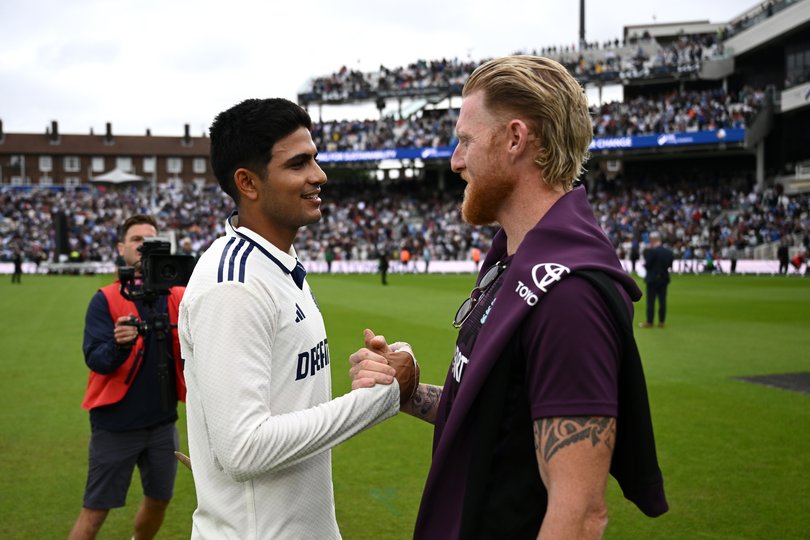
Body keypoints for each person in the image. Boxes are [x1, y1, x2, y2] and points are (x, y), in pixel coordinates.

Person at [350, 55, 668, 539]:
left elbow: (580, 515)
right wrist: (410, 391)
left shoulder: (569, 295)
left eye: (465, 141)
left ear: (516, 139)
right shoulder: (512, 262)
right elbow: (499, 420)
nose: (455, 161)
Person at [179, 98, 416, 539]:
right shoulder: (234, 284)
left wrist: (373, 375)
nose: (319, 175)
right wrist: (380, 399)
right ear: (247, 183)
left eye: (316, 159)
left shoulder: (278, 264)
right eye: (298, 163)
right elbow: (244, 448)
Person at [69, 214, 186, 540]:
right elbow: (96, 359)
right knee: (94, 511)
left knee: (160, 500)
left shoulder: (175, 294)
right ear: (122, 248)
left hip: (163, 421)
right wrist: (119, 346)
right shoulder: (105, 298)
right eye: (136, 239)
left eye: (151, 238)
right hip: (116, 424)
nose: (144, 244)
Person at [640, 231, 675, 328]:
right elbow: (670, 265)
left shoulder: (652, 252)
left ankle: (649, 322)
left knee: (651, 301)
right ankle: (661, 322)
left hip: (652, 279)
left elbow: (648, 265)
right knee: (662, 301)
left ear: (653, 240)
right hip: (664, 278)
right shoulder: (668, 252)